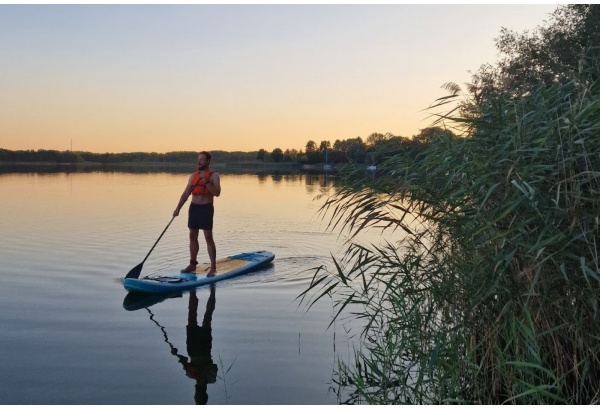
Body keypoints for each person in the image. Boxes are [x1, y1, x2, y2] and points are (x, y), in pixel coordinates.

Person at [173, 151, 221, 276]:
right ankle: (192, 265)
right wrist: (178, 208)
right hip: (194, 207)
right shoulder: (192, 176)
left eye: (202, 160)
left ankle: (213, 267)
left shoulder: (214, 175)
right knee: (192, 235)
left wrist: (206, 181)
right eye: (198, 159)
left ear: (208, 161)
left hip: (206, 208)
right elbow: (185, 194)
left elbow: (217, 193)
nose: (199, 162)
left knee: (208, 237)